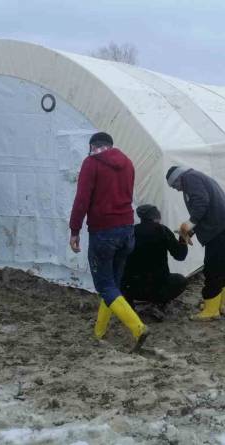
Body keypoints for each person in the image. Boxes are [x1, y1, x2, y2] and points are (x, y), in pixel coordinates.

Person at [69, 132, 148, 351]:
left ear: (93, 146)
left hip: (104, 231)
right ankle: (99, 331)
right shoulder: (127, 163)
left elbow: (82, 199)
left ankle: (138, 328)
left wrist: (74, 230)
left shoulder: (91, 163)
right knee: (112, 283)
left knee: (104, 285)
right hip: (126, 229)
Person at [166, 166, 225, 321]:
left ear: (178, 179)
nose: (176, 190)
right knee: (223, 266)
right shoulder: (196, 177)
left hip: (220, 229)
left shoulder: (190, 179)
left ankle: (211, 310)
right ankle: (217, 304)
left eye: (174, 186)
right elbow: (205, 210)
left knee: (213, 267)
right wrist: (189, 232)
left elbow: (201, 204)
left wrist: (189, 223)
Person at [121, 204, 189, 318]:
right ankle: (158, 303)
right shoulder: (162, 230)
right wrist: (183, 238)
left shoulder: (130, 232)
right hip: (158, 287)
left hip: (134, 288)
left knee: (120, 277)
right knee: (181, 280)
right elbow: (180, 256)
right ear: (156, 217)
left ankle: (130, 307)